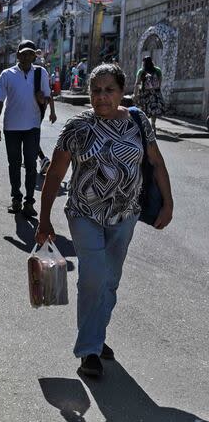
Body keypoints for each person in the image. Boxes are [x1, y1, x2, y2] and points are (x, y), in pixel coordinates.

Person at [36, 63, 173, 377]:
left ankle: (95, 334)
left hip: (125, 214)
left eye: (109, 90)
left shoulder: (138, 122)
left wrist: (168, 202)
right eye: (96, 91)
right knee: (94, 276)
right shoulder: (77, 127)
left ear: (122, 92)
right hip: (85, 213)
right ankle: (89, 352)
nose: (102, 97)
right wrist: (44, 220)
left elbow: (155, 161)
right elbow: (55, 174)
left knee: (110, 281)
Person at [0, 40, 56, 217]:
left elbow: (46, 98)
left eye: (31, 53)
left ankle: (29, 201)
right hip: (11, 127)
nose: (28, 56)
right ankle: (16, 199)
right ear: (18, 55)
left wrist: (42, 99)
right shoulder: (7, 74)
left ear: (34, 55)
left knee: (30, 166)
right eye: (24, 53)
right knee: (13, 164)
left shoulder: (40, 73)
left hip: (33, 126)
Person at [134, 56, 166, 130]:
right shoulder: (157, 70)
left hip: (144, 93)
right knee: (153, 110)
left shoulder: (141, 71)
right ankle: (153, 124)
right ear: (152, 62)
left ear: (143, 63)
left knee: (144, 109)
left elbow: (137, 83)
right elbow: (160, 83)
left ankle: (145, 125)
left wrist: (135, 94)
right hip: (155, 93)